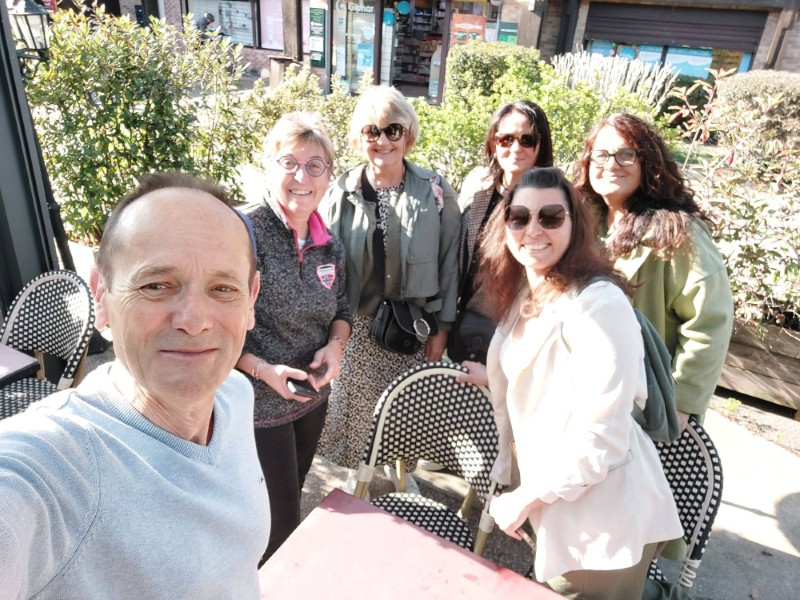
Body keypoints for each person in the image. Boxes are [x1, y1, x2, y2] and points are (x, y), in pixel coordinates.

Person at [0, 173, 268, 599]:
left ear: (251, 299)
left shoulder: (234, 393)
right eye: (156, 285)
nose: (194, 320)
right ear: (101, 295)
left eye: (223, 288)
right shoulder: (54, 468)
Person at [461, 167, 683, 599]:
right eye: (519, 217)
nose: (533, 229)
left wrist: (525, 497)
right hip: (558, 507)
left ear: (574, 224)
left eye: (550, 216)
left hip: (601, 524)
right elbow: (542, 373)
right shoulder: (529, 290)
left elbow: (604, 438)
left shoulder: (599, 305)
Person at [318, 85, 461, 473]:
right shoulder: (341, 191)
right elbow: (325, 264)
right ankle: (360, 479)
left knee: (405, 412)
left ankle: (398, 476)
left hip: (412, 326)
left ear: (407, 134)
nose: (383, 141)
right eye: (372, 131)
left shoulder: (434, 191)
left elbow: (450, 263)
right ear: (359, 137)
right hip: (358, 327)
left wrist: (443, 329)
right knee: (358, 413)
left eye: (393, 130)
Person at [236, 112, 351, 562]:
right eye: (289, 163)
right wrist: (262, 370)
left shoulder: (330, 244)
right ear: (269, 166)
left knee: (291, 498)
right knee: (277, 525)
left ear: (329, 176)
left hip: (310, 399)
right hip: (256, 404)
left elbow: (341, 311)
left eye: (315, 165)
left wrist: (335, 348)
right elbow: (216, 325)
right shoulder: (243, 232)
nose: (302, 177)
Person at [575, 113, 733, 431]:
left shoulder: (677, 232)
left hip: (644, 404)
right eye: (601, 154)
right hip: (583, 391)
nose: (611, 164)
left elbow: (709, 322)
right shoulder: (579, 223)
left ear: (648, 162)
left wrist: (682, 400)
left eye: (625, 154)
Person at [452, 100, 553, 363]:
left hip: (516, 334)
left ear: (541, 144)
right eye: (506, 139)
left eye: (527, 140)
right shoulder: (478, 184)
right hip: (464, 325)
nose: (516, 148)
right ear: (493, 143)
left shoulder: (551, 198)